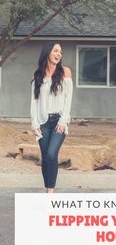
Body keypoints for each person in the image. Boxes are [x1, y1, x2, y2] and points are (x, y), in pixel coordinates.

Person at [31, 42, 73, 193]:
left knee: (51, 154)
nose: (58, 54)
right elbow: (34, 101)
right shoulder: (37, 74)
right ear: (47, 53)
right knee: (45, 158)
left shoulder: (65, 72)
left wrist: (63, 121)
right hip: (42, 122)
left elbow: (68, 98)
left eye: (60, 52)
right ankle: (48, 188)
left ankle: (51, 193)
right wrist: (34, 124)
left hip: (58, 122)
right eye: (55, 51)